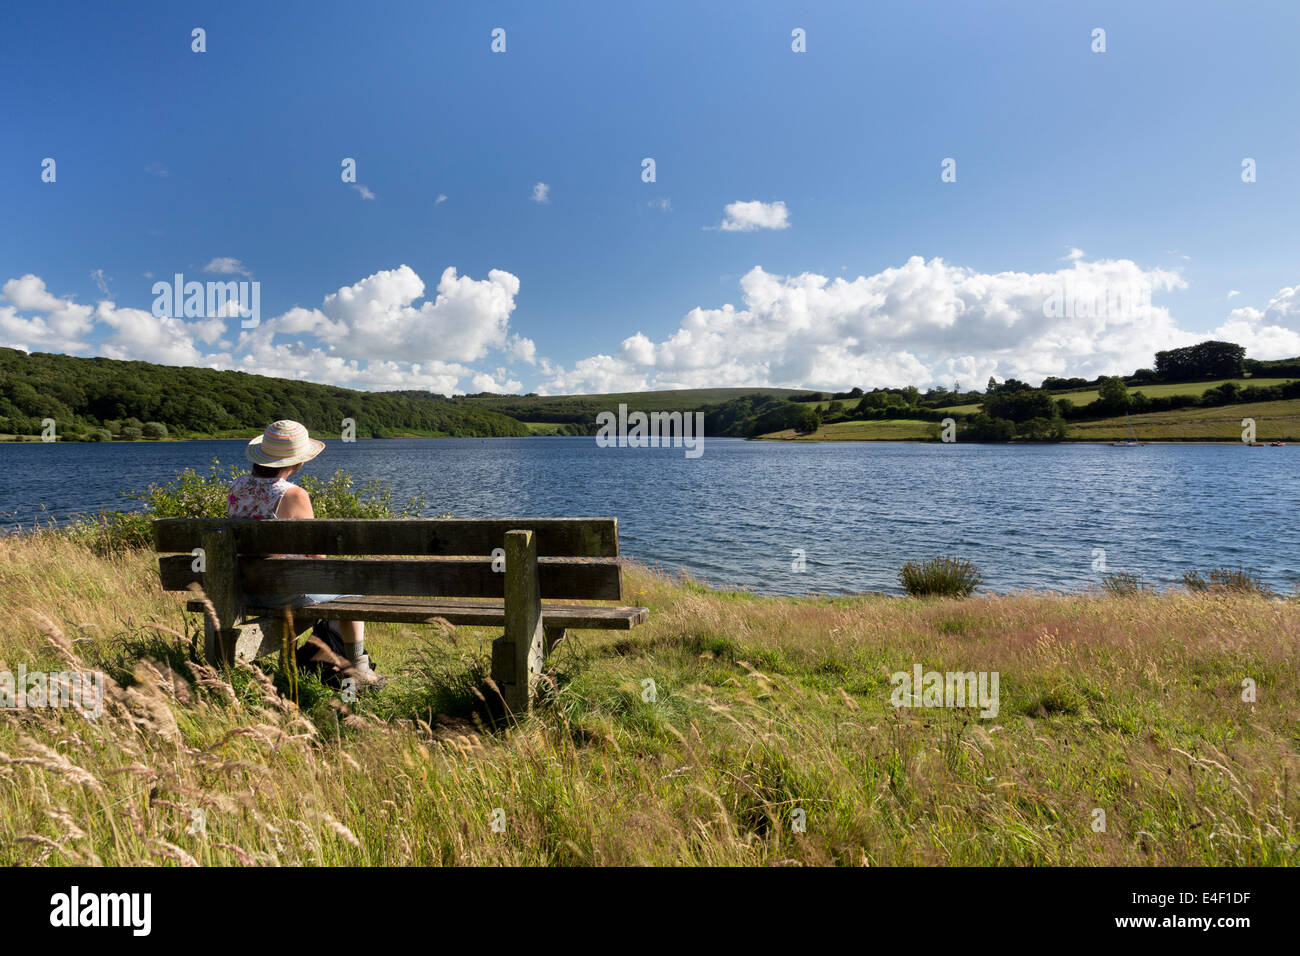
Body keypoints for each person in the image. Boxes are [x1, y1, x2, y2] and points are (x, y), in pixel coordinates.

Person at [228, 420, 381, 686]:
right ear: (298, 462)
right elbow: (316, 556)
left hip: (243, 588)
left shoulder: (237, 486)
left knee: (300, 580)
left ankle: (291, 665)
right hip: (285, 592)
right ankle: (359, 668)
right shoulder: (294, 495)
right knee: (352, 591)